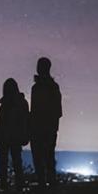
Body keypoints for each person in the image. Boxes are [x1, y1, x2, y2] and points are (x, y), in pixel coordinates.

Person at [0, 78, 29, 191]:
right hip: (12, 138)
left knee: (7, 163)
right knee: (15, 162)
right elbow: (25, 121)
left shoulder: (8, 104)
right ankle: (17, 186)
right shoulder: (21, 103)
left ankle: (6, 186)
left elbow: (0, 123)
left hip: (7, 138)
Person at [30, 57, 62, 187]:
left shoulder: (38, 88)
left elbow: (56, 111)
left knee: (42, 158)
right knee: (47, 158)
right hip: (47, 129)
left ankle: (44, 186)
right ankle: (49, 186)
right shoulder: (50, 87)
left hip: (42, 129)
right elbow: (58, 111)